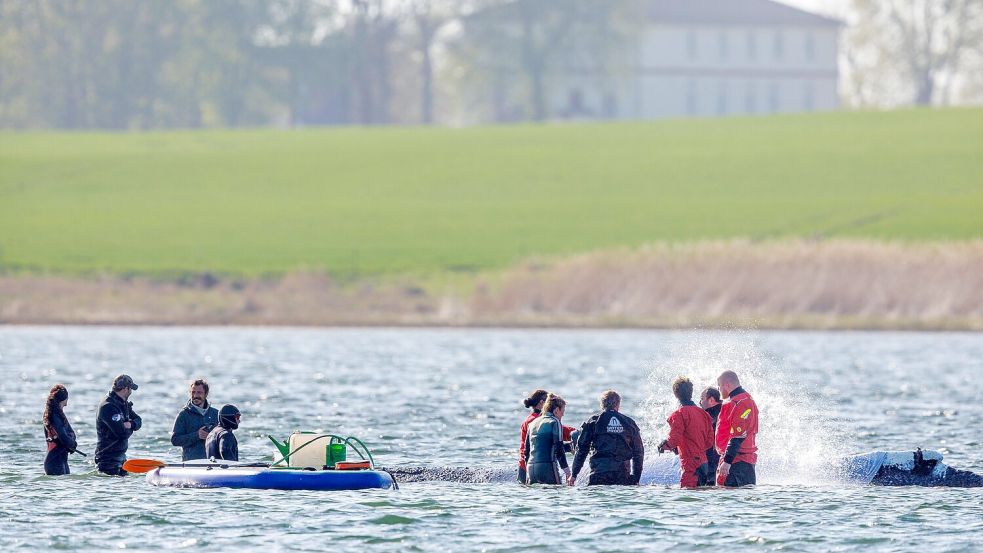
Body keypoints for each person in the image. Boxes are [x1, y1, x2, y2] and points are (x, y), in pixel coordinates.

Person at [571, 390, 644, 486]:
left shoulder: (594, 421)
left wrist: (574, 474)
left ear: (602, 405)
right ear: (618, 404)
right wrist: (636, 478)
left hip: (599, 475)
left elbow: (582, 449)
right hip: (622, 476)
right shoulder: (629, 423)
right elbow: (639, 452)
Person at [657, 377, 714, 488]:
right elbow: (710, 441)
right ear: (691, 392)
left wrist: (663, 445)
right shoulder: (704, 414)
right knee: (701, 495)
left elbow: (674, 440)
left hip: (690, 464)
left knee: (687, 496)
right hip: (704, 463)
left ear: (676, 394)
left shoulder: (679, 414)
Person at [715, 371, 759, 487]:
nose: (719, 390)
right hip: (737, 461)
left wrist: (727, 461)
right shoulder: (740, 400)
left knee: (729, 496)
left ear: (727, 385)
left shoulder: (741, 402)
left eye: (719, 386)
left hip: (737, 462)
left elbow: (738, 435)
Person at [95, 374, 142, 476]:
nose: (131, 392)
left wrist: (130, 424)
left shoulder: (122, 403)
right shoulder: (108, 406)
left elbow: (138, 420)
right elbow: (122, 434)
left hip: (121, 458)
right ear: (125, 389)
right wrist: (129, 428)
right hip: (108, 460)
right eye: (130, 389)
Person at [524, 394, 573, 486]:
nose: (563, 414)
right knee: (556, 492)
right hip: (547, 468)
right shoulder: (554, 422)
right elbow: (558, 449)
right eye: (562, 411)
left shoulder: (533, 423)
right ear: (556, 410)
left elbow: (526, 451)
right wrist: (568, 472)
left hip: (531, 469)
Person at [170, 379, 219, 461]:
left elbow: (224, 438)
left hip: (213, 462)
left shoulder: (216, 414)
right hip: (191, 463)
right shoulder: (183, 415)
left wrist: (211, 437)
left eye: (199, 392)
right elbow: (175, 440)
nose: (195, 395)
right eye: (193, 392)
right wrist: (197, 435)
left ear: (206, 394)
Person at [43, 384, 78, 475]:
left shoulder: (58, 414)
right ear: (64, 399)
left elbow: (71, 434)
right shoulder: (54, 416)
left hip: (61, 460)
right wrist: (72, 444)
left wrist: (71, 444)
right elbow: (64, 438)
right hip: (54, 461)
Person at [518, 389, 548, 483]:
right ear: (542, 403)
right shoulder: (536, 420)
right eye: (549, 402)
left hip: (523, 465)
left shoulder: (529, 419)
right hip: (531, 466)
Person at [700, 386, 722, 474]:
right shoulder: (726, 410)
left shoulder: (709, 416)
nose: (700, 402)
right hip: (726, 459)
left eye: (702, 399)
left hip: (713, 460)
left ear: (711, 400)